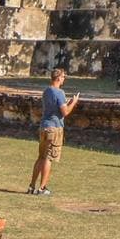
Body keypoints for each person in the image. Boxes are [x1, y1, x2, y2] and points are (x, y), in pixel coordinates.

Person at [28, 66, 77, 196]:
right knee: (48, 158)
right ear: (59, 78)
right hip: (54, 128)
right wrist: (73, 102)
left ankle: (32, 186)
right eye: (63, 77)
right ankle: (42, 188)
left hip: (44, 126)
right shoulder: (59, 92)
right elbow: (65, 112)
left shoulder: (46, 91)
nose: (64, 79)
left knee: (41, 157)